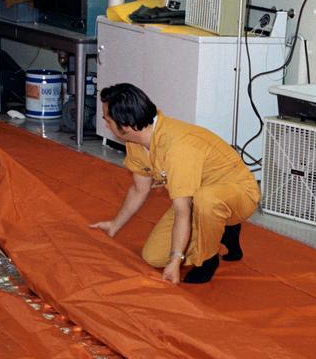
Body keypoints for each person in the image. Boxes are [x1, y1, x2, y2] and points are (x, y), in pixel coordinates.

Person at [92, 83, 259, 286]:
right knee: (153, 257)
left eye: (107, 120)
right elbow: (139, 188)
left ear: (125, 125)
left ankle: (207, 260)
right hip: (195, 197)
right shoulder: (136, 142)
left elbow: (182, 210)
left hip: (238, 192)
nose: (106, 125)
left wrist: (175, 261)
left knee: (206, 200)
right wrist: (115, 224)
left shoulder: (178, 147)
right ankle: (222, 231)